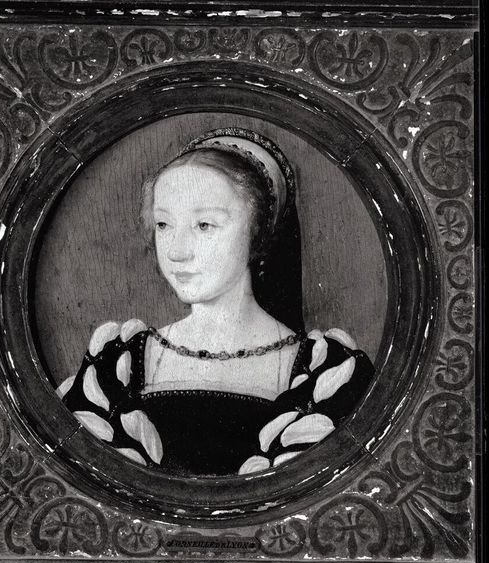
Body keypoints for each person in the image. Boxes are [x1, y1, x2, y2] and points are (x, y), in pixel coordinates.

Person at [59, 128, 374, 477]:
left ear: (257, 232)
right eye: (163, 224)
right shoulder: (116, 360)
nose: (177, 251)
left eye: (204, 225)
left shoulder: (327, 370)